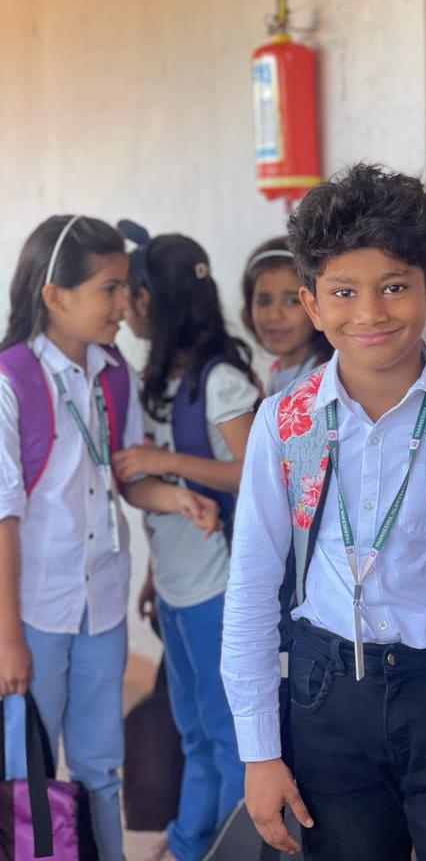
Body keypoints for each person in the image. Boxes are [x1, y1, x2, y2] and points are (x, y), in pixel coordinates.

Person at [221, 163, 426, 861]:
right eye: (344, 291)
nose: (369, 313)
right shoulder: (284, 423)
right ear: (313, 304)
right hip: (325, 695)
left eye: (394, 287)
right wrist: (259, 752)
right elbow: (250, 589)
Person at [0, 215, 218, 861]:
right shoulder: (11, 381)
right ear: (55, 295)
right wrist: (7, 638)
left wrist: (177, 497)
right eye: (110, 288)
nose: (125, 303)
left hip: (101, 605)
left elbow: (124, 474)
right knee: (29, 766)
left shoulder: (113, 373)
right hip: (34, 610)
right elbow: (3, 519)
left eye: (125, 286)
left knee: (100, 762)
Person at [113, 224, 260, 861]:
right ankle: (190, 841)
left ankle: (227, 849)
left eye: (128, 292)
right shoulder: (157, 377)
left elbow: (255, 473)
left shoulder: (219, 379)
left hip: (219, 585)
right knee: (194, 729)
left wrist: (163, 461)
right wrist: (153, 572)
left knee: (226, 736)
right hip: (178, 585)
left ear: (152, 299)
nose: (122, 306)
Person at [241, 236, 332, 396]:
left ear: (315, 305)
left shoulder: (327, 379)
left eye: (292, 301)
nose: (274, 315)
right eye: (263, 301)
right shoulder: (275, 371)